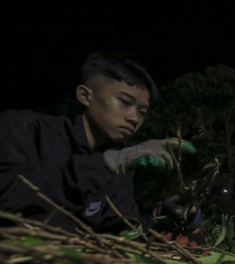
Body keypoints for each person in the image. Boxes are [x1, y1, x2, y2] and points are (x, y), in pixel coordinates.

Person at [0, 53, 201, 234]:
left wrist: (162, 218)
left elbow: (122, 232)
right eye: (124, 101)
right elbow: (9, 196)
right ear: (85, 96)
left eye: (142, 112)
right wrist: (106, 164)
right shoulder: (23, 128)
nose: (134, 118)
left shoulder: (120, 165)